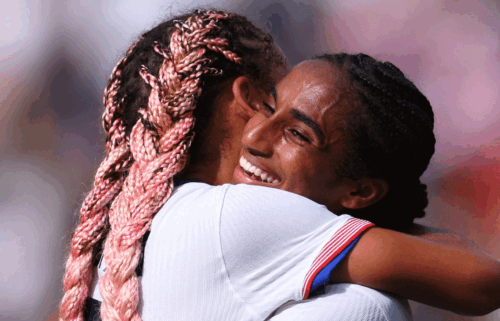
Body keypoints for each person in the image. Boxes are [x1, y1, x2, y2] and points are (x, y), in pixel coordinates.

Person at [56, 9, 500, 321]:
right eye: (268, 105)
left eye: (296, 132)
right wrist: (375, 217)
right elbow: (482, 281)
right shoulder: (237, 215)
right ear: (242, 95)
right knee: (367, 305)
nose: (256, 136)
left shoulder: (146, 221)